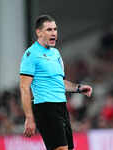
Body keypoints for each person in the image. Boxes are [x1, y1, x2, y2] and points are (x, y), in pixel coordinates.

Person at [19, 15, 92, 150]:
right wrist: (29, 117)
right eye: (49, 30)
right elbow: (24, 88)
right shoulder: (31, 54)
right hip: (45, 107)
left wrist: (78, 88)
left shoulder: (56, 54)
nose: (54, 33)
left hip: (61, 107)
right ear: (39, 32)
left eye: (55, 29)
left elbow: (61, 82)